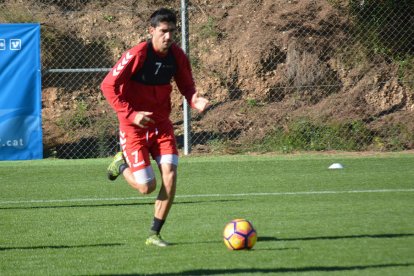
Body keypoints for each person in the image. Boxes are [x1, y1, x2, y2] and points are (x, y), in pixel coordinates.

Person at [101, 8, 209, 247]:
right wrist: (131, 114)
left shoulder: (177, 56)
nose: (168, 36)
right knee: (146, 187)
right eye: (163, 31)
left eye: (172, 31)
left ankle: (154, 234)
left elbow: (187, 86)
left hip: (161, 127)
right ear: (151, 31)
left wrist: (194, 99)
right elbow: (108, 85)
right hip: (133, 129)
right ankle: (121, 163)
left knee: (170, 175)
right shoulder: (138, 54)